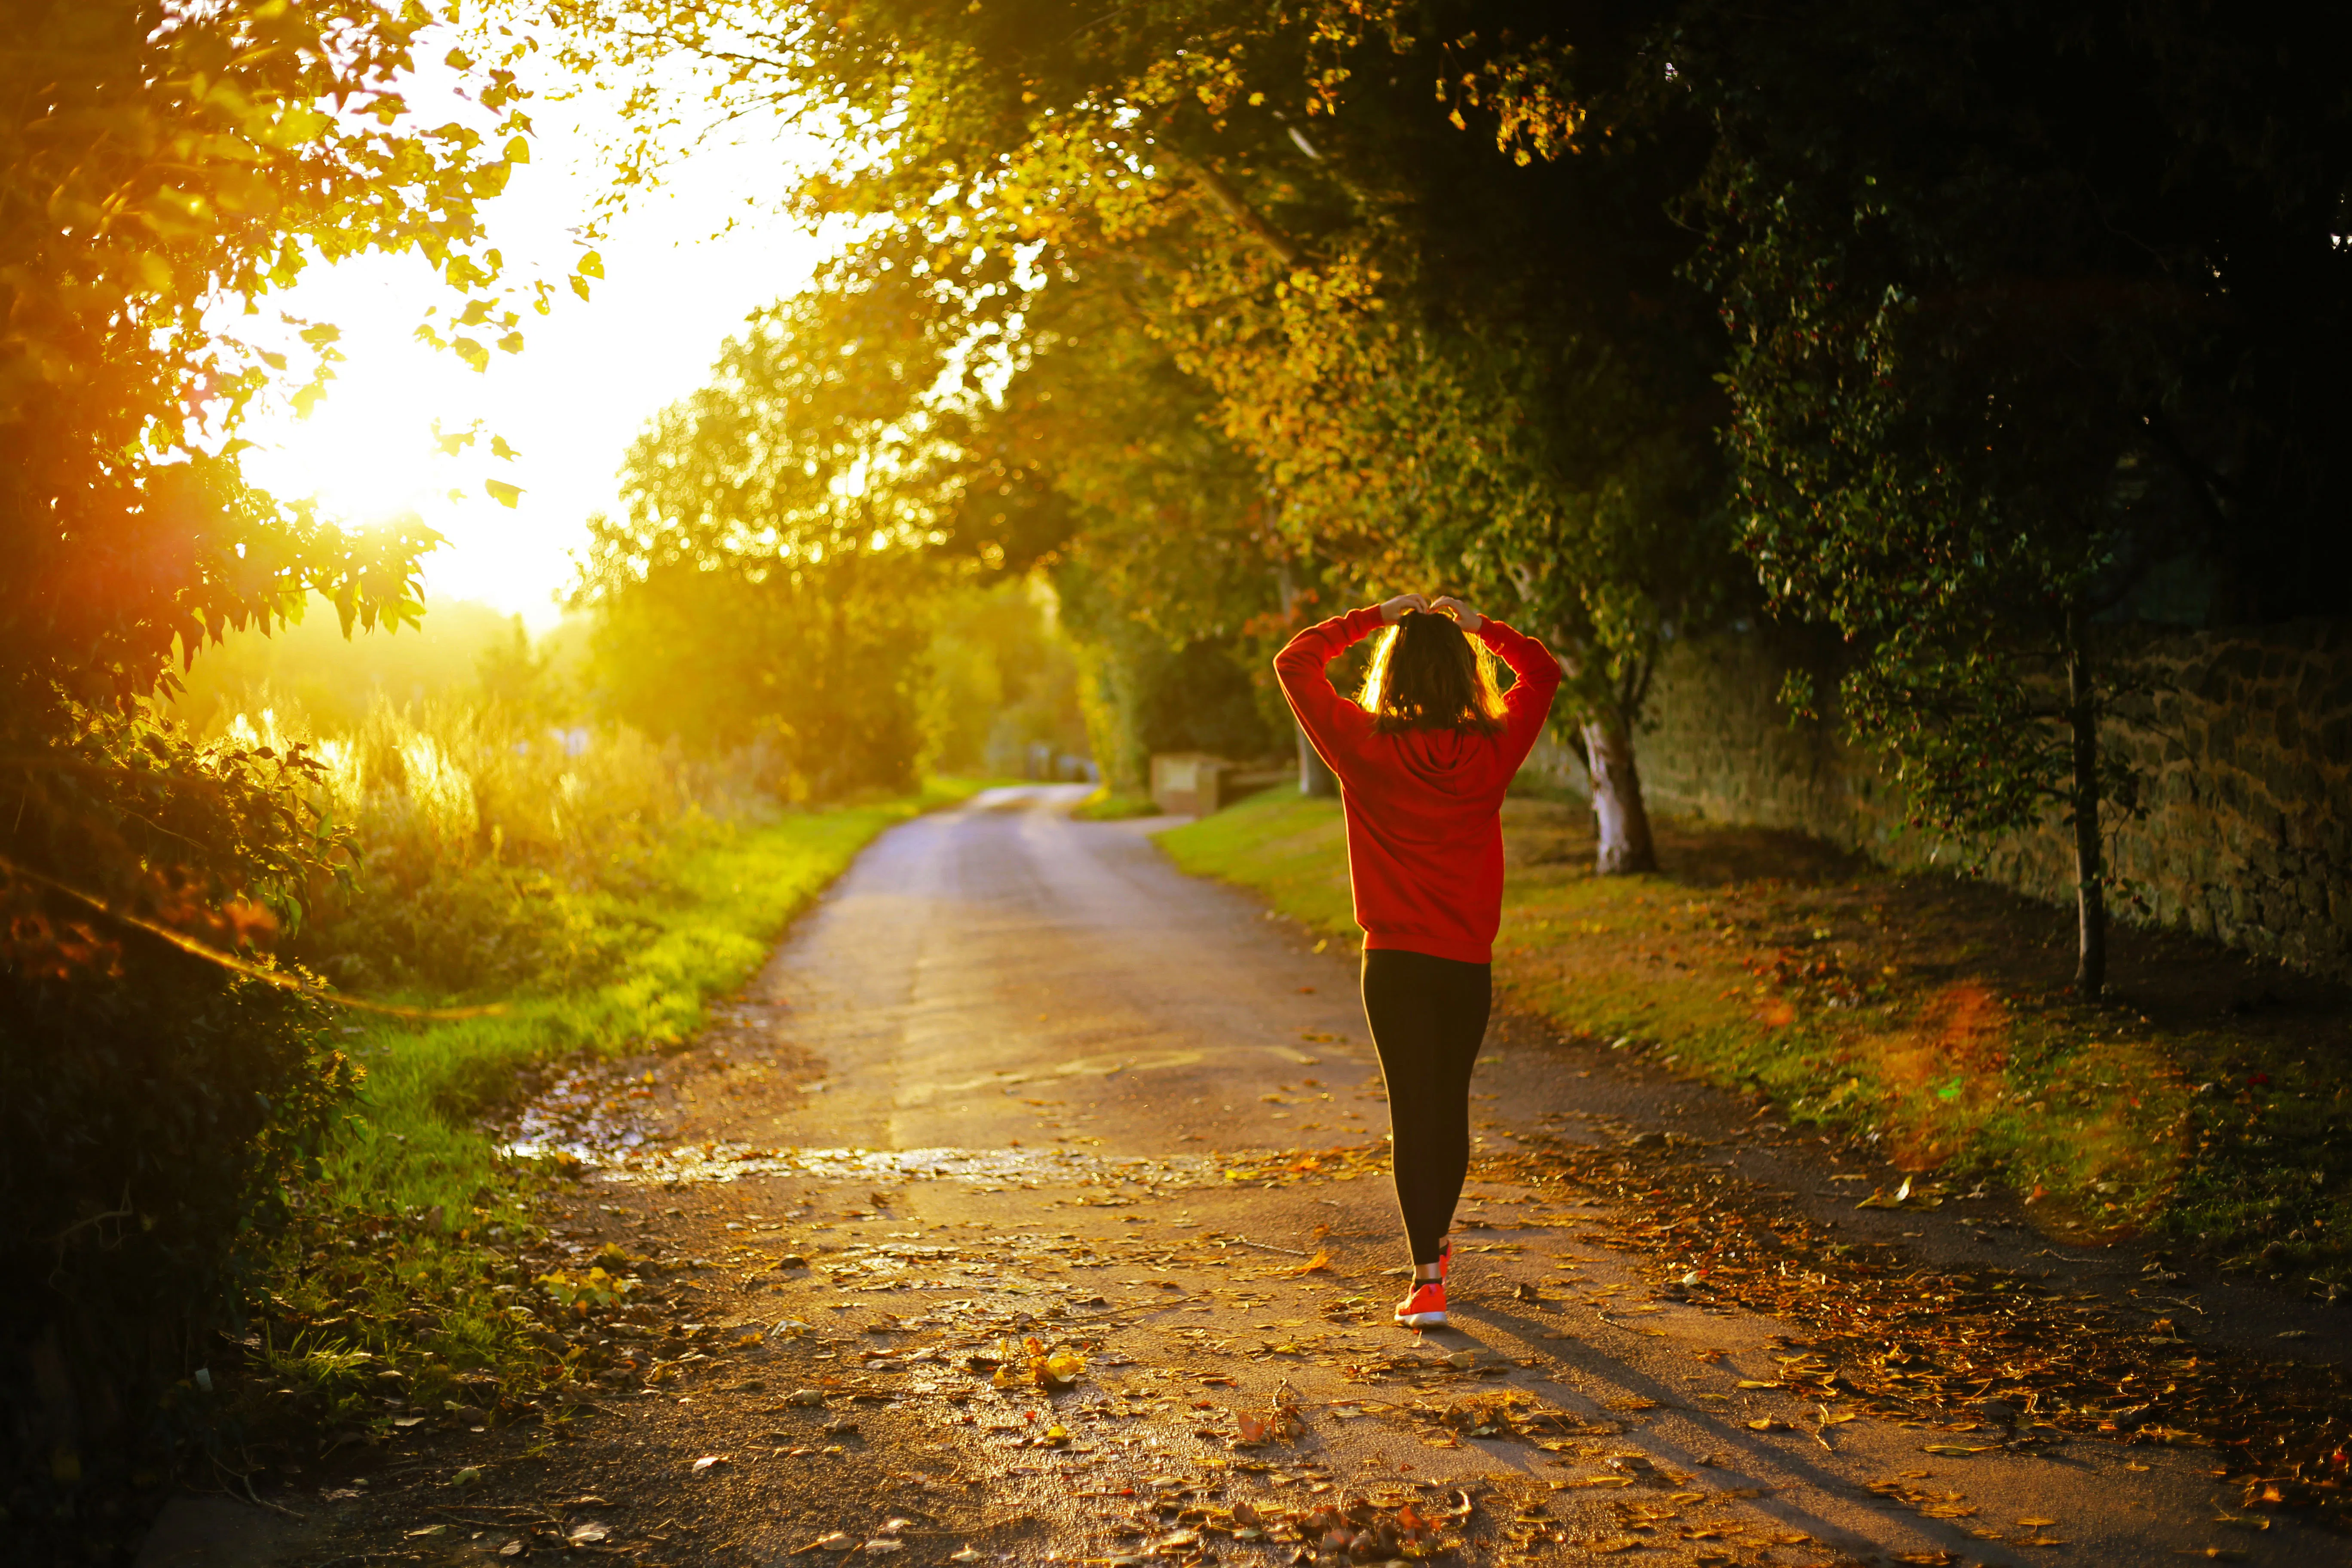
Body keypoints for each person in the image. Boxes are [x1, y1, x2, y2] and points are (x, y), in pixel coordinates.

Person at [1274, 592, 1562, 1328]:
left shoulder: (1362, 745)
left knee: (1413, 1109)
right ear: (1466, 676)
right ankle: (1433, 1244)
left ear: (1392, 674)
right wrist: (1482, 628)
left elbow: (1295, 662)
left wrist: (1373, 616)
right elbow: (1543, 671)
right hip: (1466, 962)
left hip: (1395, 962)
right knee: (1449, 1104)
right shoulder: (1495, 747)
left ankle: (1427, 1277)